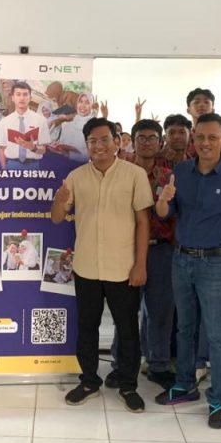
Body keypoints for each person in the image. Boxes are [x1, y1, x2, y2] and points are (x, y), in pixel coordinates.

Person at [154, 113, 221, 429]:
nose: (205, 143)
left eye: (212, 137)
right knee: (185, 328)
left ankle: (217, 399)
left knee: (217, 334)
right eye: (200, 137)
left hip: (217, 264)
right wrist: (163, 200)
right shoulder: (181, 172)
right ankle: (185, 384)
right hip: (182, 260)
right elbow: (164, 213)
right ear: (193, 138)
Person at [51, 117, 152, 414]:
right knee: (87, 328)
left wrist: (140, 265)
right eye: (93, 141)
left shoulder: (134, 175)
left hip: (124, 268)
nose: (99, 146)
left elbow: (143, 222)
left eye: (105, 139)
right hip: (87, 268)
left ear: (117, 141)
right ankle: (89, 382)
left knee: (128, 329)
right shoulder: (76, 177)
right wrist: (59, 200)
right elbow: (57, 217)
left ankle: (128, 385)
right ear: (87, 145)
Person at [128, 119, 177, 389]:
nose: (146, 143)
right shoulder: (122, 171)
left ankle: (158, 365)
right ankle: (123, 362)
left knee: (160, 311)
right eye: (141, 138)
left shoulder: (170, 176)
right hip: (127, 249)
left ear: (160, 142)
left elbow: (178, 213)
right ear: (133, 141)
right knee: (126, 310)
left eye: (152, 138)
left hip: (161, 249)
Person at [0, 82, 50, 170]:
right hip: (12, 165)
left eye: (25, 94)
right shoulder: (4, 122)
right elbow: (1, 148)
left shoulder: (41, 120)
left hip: (33, 166)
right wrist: (4, 170)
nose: (22, 98)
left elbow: (43, 150)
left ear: (30, 98)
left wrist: (33, 147)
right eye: (18, 94)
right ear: (13, 98)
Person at [51, 92, 94, 163]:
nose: (83, 105)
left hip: (77, 166)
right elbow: (61, 141)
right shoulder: (70, 121)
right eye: (81, 101)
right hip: (59, 160)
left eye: (87, 103)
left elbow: (89, 155)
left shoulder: (93, 126)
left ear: (91, 106)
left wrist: (69, 154)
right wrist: (56, 144)